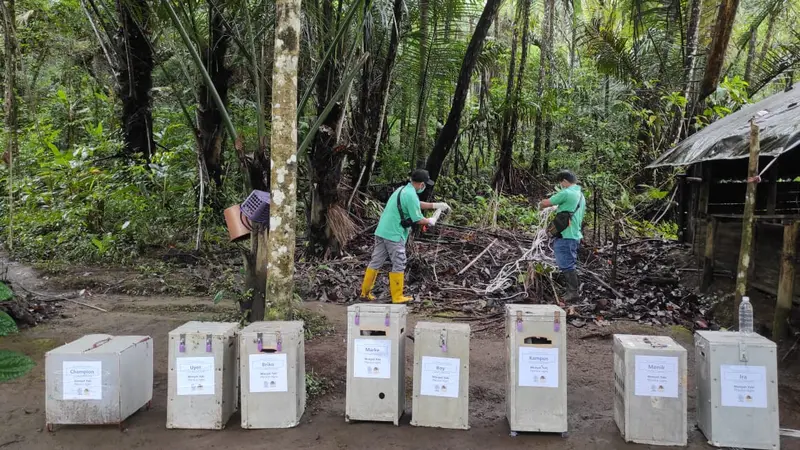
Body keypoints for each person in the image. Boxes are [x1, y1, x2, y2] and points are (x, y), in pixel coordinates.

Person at [360, 169, 450, 303]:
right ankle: (397, 296)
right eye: (424, 184)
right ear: (421, 184)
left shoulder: (403, 190)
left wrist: (435, 205)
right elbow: (417, 219)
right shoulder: (411, 195)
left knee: (376, 262)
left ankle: (365, 293)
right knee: (399, 262)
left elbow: (416, 204)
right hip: (394, 234)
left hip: (382, 231)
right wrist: (431, 220)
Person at [539, 170, 585, 301]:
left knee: (566, 264)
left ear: (565, 181)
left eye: (561, 183)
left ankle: (573, 293)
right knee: (569, 262)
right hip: (574, 234)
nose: (561, 185)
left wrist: (541, 204)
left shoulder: (566, 192)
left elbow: (546, 203)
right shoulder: (580, 195)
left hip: (565, 234)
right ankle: (572, 291)